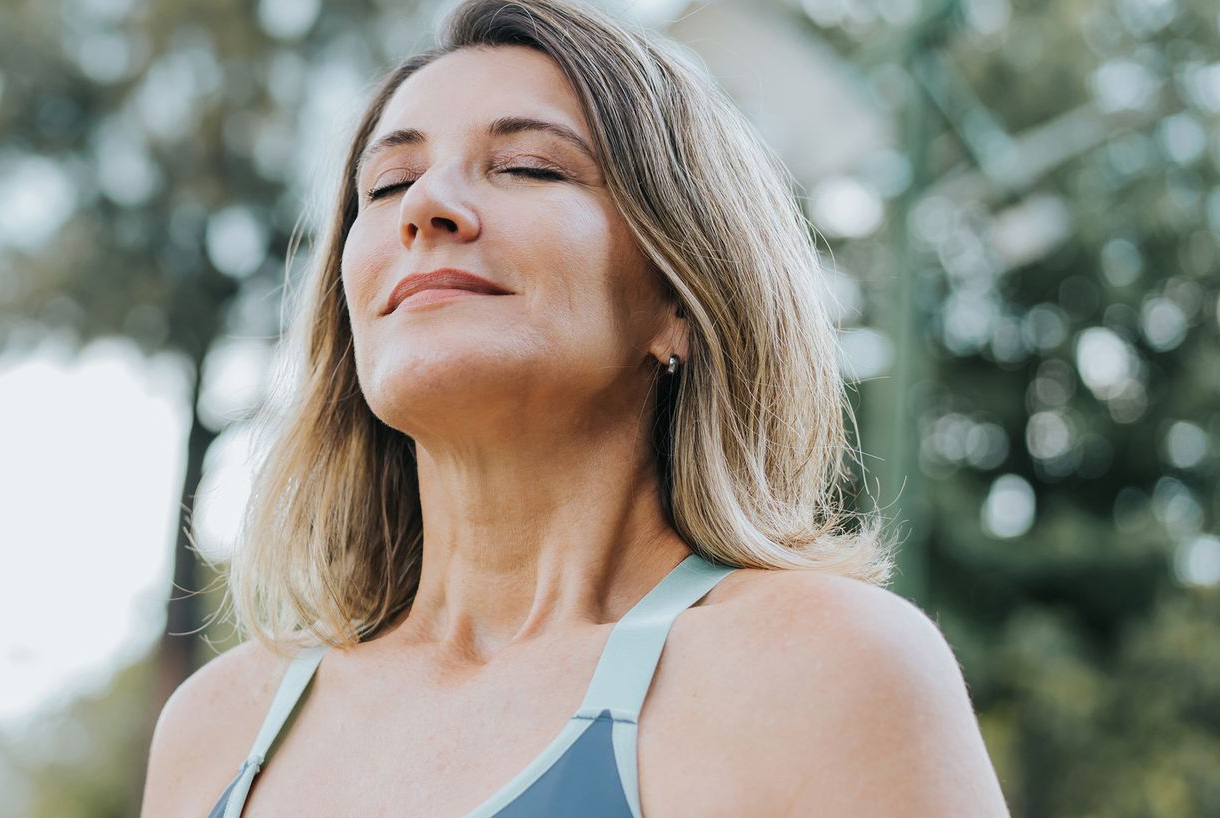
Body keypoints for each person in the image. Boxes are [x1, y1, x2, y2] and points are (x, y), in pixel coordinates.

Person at [141, 0, 1011, 815]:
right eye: (386, 183)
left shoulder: (829, 670)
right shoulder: (216, 729)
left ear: (680, 296)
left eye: (526, 165)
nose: (426, 209)